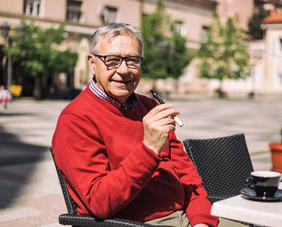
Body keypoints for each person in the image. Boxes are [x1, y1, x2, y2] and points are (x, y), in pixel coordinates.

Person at [52, 23, 219, 227]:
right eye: (112, 60)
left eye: (132, 60)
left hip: (189, 217)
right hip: (134, 223)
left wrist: (201, 220)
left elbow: (188, 176)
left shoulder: (150, 107)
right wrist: (149, 148)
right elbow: (99, 202)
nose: (124, 70)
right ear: (92, 63)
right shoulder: (76, 119)